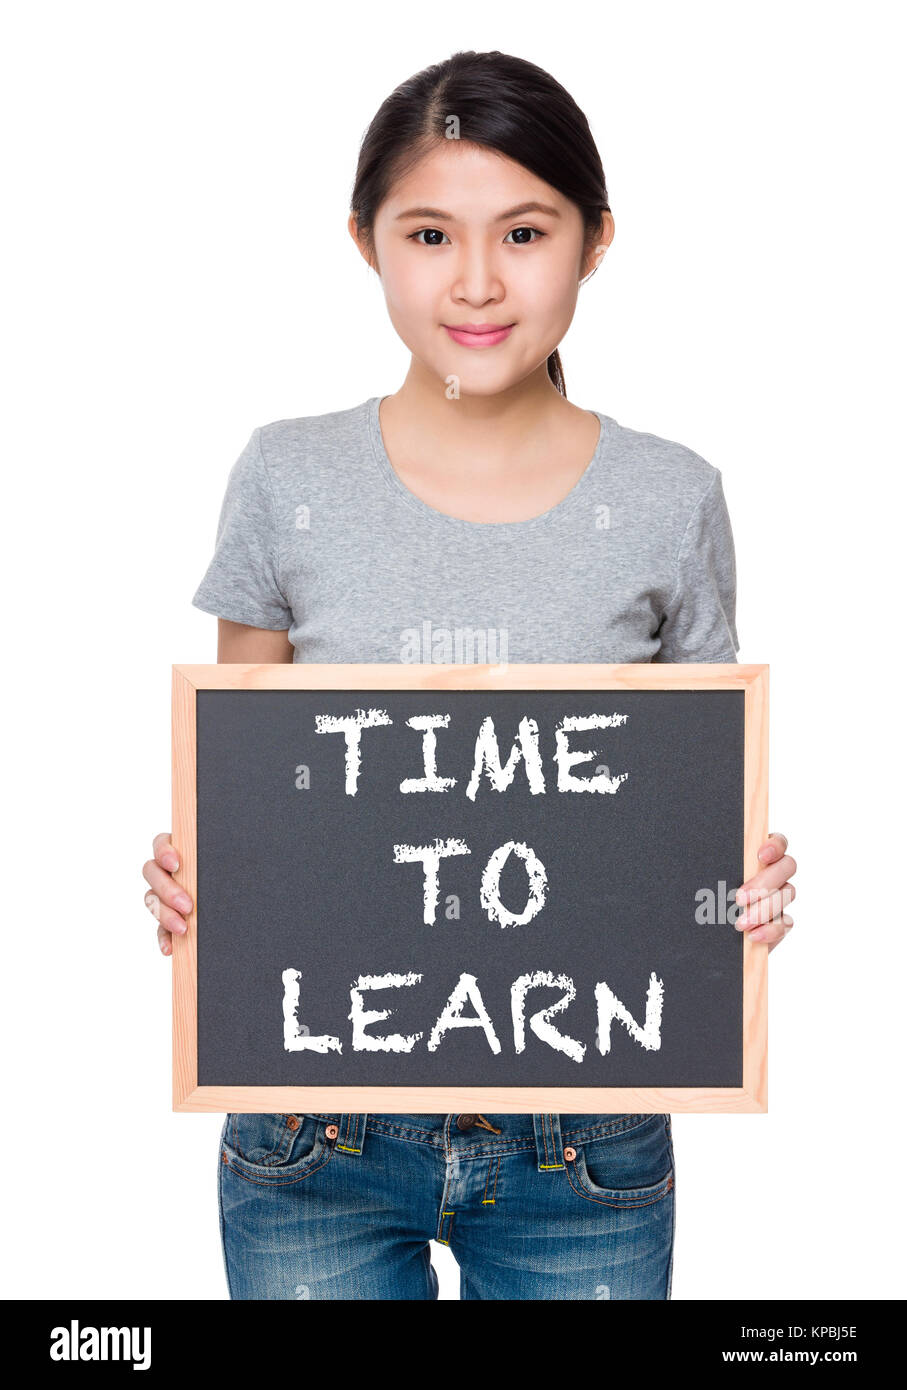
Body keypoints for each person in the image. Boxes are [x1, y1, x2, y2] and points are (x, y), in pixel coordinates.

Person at [142, 49, 797, 1300]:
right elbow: (244, 787)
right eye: (431, 233)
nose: (479, 282)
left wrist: (742, 899)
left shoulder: (670, 498)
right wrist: (195, 876)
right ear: (366, 241)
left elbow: (692, 813)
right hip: (312, 1132)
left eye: (526, 232)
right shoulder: (288, 480)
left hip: (584, 1142)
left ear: (596, 240)